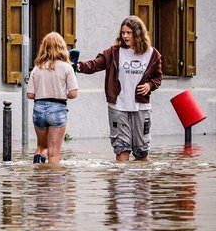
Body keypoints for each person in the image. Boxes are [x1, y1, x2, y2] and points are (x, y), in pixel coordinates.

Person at [75, 15, 162, 161]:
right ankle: (120, 182)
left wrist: (150, 85)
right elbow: (94, 64)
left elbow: (158, 77)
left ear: (138, 33)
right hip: (118, 106)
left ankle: (142, 182)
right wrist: (77, 66)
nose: (125, 36)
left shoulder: (152, 54)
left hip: (141, 106)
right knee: (122, 149)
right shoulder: (113, 53)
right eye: (123, 33)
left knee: (142, 151)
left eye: (129, 33)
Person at [26, 32, 79, 164]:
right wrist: (60, 93)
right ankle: (53, 182)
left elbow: (30, 94)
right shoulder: (67, 67)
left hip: (38, 109)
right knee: (54, 154)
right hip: (57, 109)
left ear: (43, 47)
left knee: (41, 147)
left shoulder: (37, 68)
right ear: (62, 47)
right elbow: (73, 94)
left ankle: (38, 177)